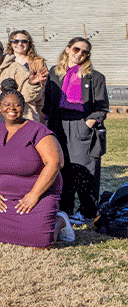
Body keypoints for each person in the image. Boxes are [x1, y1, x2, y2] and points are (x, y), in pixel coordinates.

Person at [0, 89, 64, 248]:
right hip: (2, 198)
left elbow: (55, 163)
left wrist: (34, 195)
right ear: (0, 107)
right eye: (7, 105)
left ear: (23, 107)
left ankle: (60, 221)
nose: (12, 108)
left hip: (37, 195)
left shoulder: (38, 130)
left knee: (42, 242)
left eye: (17, 105)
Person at [45, 36, 108, 225]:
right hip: (58, 123)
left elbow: (102, 106)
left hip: (81, 123)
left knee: (85, 167)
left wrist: (89, 123)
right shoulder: (54, 73)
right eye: (76, 49)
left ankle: (88, 211)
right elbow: (47, 101)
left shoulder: (95, 77)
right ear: (67, 49)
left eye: (85, 52)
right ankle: (65, 209)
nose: (80, 54)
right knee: (62, 165)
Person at [5, 30, 50, 121]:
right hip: (9, 105)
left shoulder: (37, 62)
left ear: (29, 44)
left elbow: (43, 86)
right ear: (11, 43)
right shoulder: (5, 61)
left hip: (32, 106)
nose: (20, 44)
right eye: (16, 41)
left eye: (24, 41)